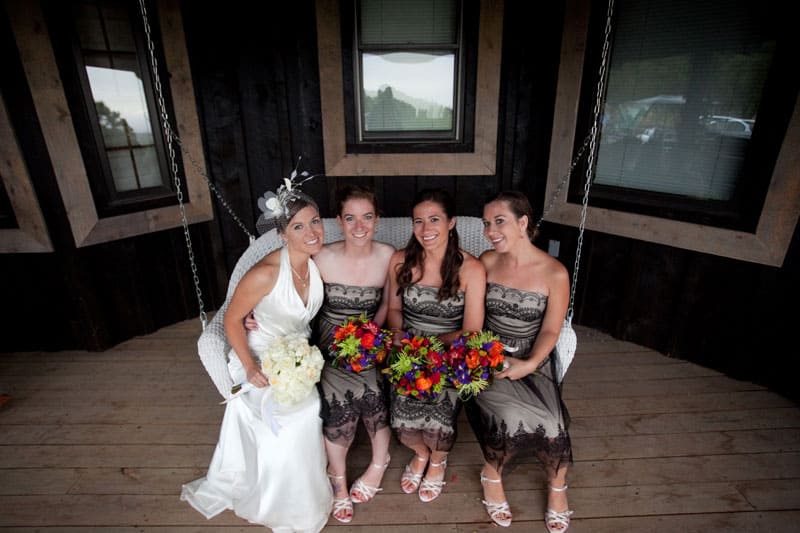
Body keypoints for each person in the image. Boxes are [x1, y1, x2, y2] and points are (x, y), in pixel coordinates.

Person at [181, 183, 333, 532]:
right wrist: (250, 368)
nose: (311, 232)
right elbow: (234, 319)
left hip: (297, 357)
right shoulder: (264, 273)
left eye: (316, 222)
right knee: (293, 417)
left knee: (307, 409)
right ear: (281, 235)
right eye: (298, 227)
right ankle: (282, 504)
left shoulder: (316, 263)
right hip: (260, 356)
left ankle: (306, 494)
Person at [466, 191, 573, 531]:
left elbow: (551, 330)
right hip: (488, 358)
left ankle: (558, 490)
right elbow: (473, 316)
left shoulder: (554, 272)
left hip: (533, 359)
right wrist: (484, 356)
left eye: (499, 221)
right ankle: (491, 474)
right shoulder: (486, 261)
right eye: (486, 223)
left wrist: (529, 364)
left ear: (523, 222)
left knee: (554, 427)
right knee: (510, 418)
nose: (490, 230)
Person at [385, 188, 486, 503]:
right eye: (418, 221)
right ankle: (418, 455)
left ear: (451, 222)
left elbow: (470, 332)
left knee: (437, 425)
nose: (425, 230)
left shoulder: (470, 269)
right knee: (402, 424)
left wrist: (430, 344)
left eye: (434, 220)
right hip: (409, 353)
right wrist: (399, 333)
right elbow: (394, 309)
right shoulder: (400, 260)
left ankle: (437, 461)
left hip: (450, 353)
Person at [312, 185, 395, 523]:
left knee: (373, 391)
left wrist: (370, 338)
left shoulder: (389, 255)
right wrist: (254, 312)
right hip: (330, 346)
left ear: (377, 219)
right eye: (350, 218)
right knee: (337, 399)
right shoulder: (322, 256)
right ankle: (338, 478)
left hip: (368, 342)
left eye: (367, 217)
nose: (359, 227)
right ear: (338, 221)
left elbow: (389, 303)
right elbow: (284, 284)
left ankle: (379, 463)